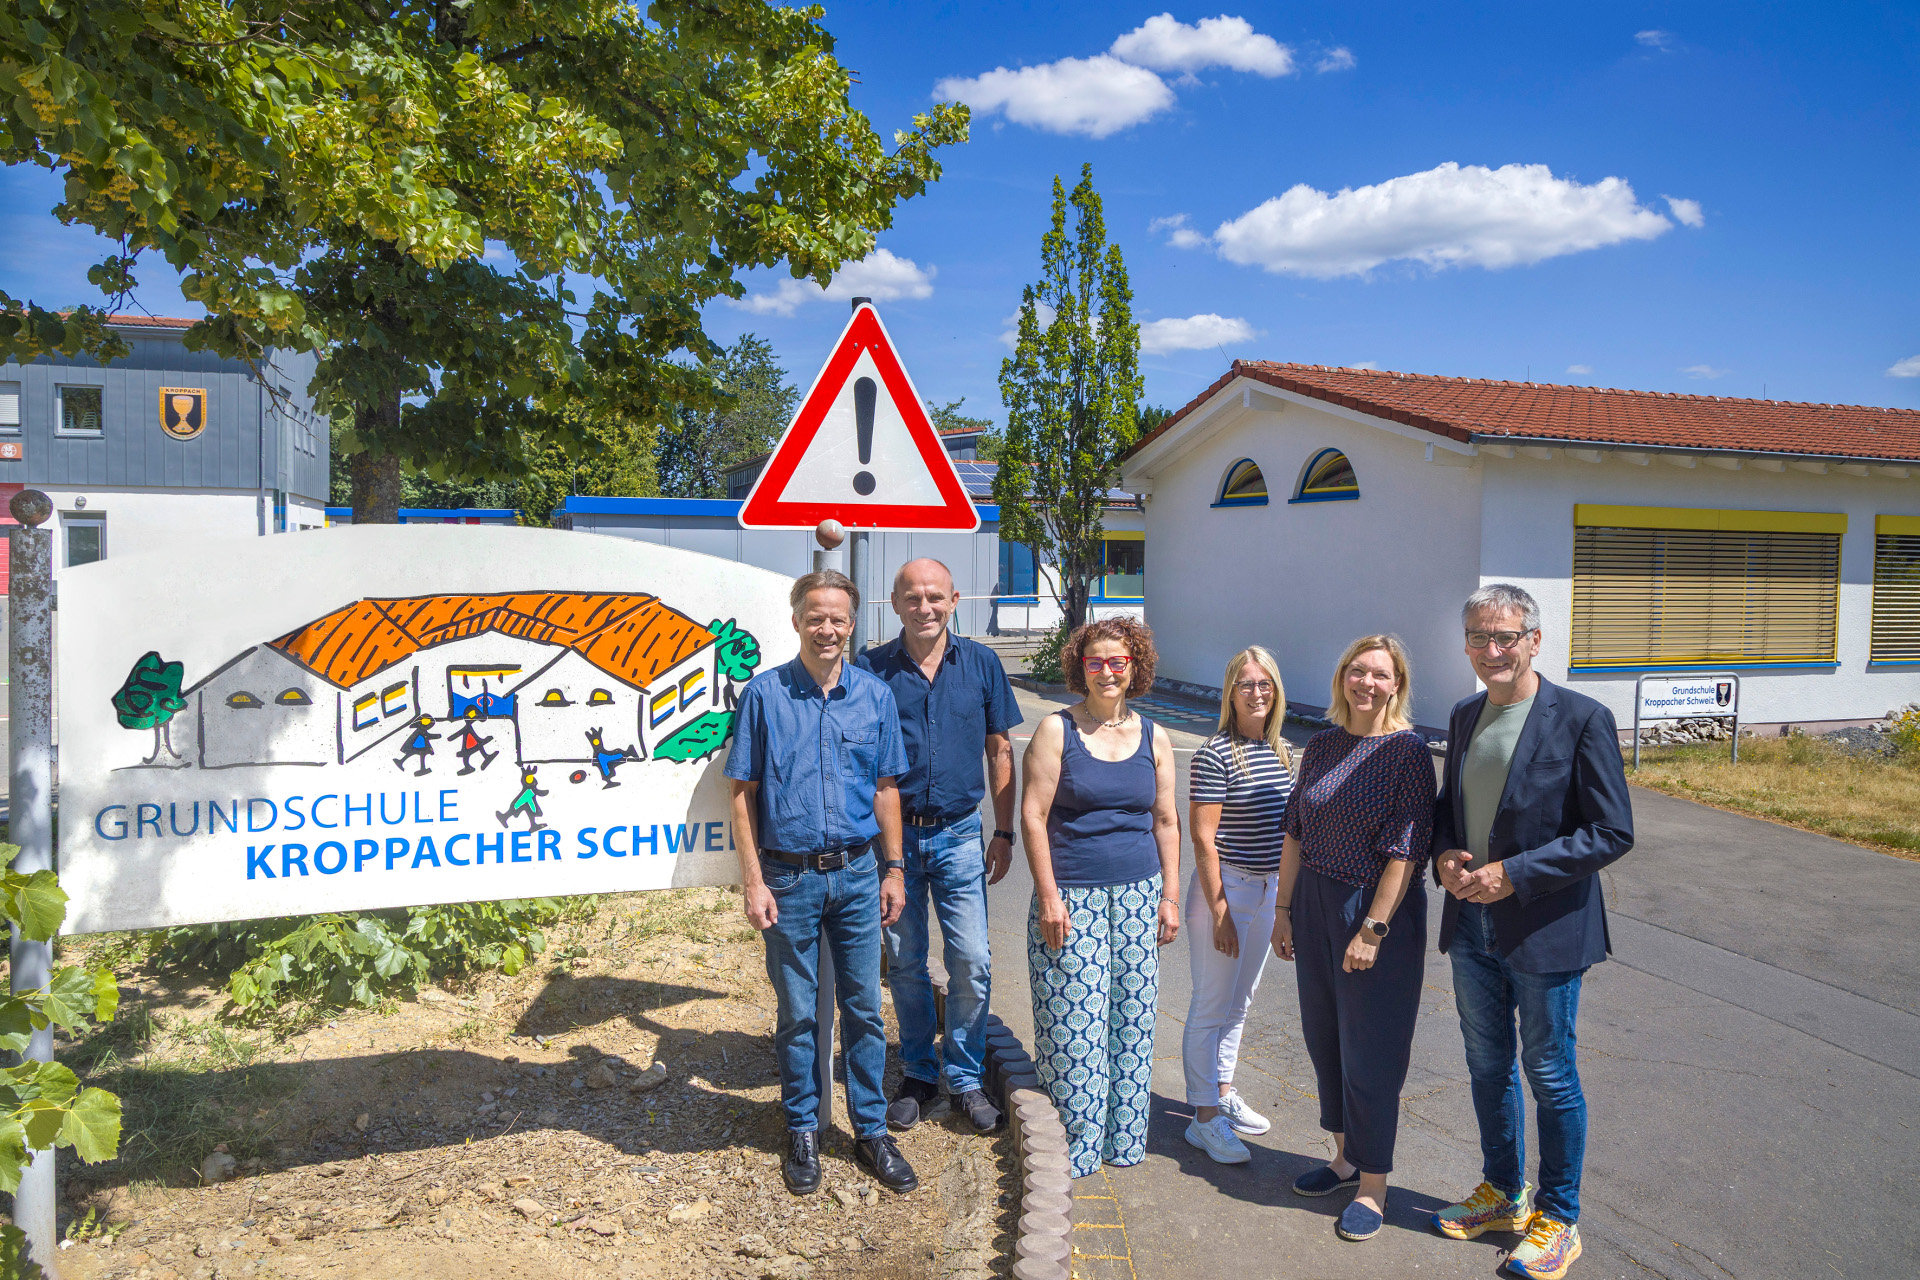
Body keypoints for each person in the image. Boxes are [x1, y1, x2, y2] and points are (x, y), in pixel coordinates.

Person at [1428, 584, 1634, 1280]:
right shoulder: (1464, 715)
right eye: (1478, 637)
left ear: (1534, 641)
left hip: (1545, 927)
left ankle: (1559, 1218)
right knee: (1487, 1065)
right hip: (1470, 922)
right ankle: (1502, 1192)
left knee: (1549, 1072)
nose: (1492, 650)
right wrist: (1444, 855)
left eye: (1506, 637)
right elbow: (1450, 808)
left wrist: (1515, 873)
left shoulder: (1581, 718)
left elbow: (1611, 831)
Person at [725, 569, 919, 1198]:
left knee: (865, 1008)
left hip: (859, 875)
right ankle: (803, 1128)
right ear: (796, 621)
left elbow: (886, 789)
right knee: (799, 1013)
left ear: (852, 624)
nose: (826, 629)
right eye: (816, 618)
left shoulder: (874, 697)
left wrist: (894, 869)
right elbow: (741, 794)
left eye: (838, 618)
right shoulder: (764, 696)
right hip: (788, 879)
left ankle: (871, 1131)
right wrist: (753, 882)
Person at [1271, 634, 1435, 1242]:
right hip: (1313, 902)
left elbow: (1406, 851)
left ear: (1397, 685)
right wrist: (1283, 909)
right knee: (1325, 1038)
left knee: (1372, 1051)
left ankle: (1373, 1184)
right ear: (1343, 677)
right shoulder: (1322, 744)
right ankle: (1343, 1159)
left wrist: (1372, 929)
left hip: (1371, 910)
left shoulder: (1408, 752)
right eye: (1357, 671)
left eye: (1380, 674)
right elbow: (1295, 830)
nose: (1367, 683)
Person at [857, 559, 1023, 1134]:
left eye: (934, 597)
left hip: (959, 834)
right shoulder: (871, 668)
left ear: (954, 600)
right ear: (895, 603)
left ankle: (966, 1077)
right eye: (912, 598)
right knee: (905, 961)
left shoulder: (981, 663)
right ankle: (919, 1073)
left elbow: (1000, 751)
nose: (923, 607)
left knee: (971, 960)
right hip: (894, 839)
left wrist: (1004, 832)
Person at [1021, 617, 1181, 1178]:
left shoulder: (1154, 735)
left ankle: (1124, 1141)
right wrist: (1048, 897)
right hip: (1073, 896)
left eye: (1118, 661)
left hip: (1139, 894)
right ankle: (1076, 1149)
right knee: (1074, 1025)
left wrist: (1170, 895)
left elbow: (1166, 820)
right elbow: (1033, 817)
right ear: (1080, 667)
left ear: (1135, 667)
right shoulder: (1056, 730)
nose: (1107, 672)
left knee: (1132, 1019)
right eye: (1095, 662)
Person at [1181, 646, 1294, 1165]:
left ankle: (1222, 1093)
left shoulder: (1283, 750)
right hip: (1226, 889)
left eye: (1264, 683)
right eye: (1246, 684)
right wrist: (1221, 912)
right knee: (1211, 1005)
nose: (1256, 693)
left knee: (1239, 1003)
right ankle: (1203, 1119)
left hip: (1269, 890)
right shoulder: (1215, 753)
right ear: (1230, 692)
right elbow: (1203, 840)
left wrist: (1286, 902)